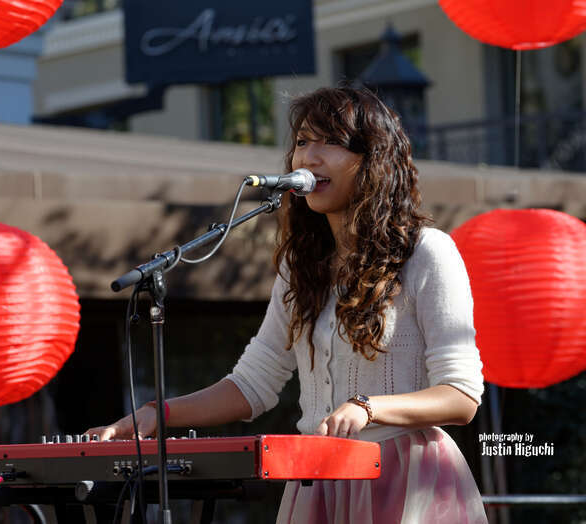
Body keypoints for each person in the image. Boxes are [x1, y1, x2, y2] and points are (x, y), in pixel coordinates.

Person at [86, 86, 487, 523]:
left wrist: (368, 407)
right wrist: (158, 414)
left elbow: (461, 396)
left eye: (329, 142)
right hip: (319, 480)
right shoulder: (301, 269)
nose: (307, 158)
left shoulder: (426, 252)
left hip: (406, 482)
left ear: (372, 159)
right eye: (301, 141)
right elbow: (252, 385)